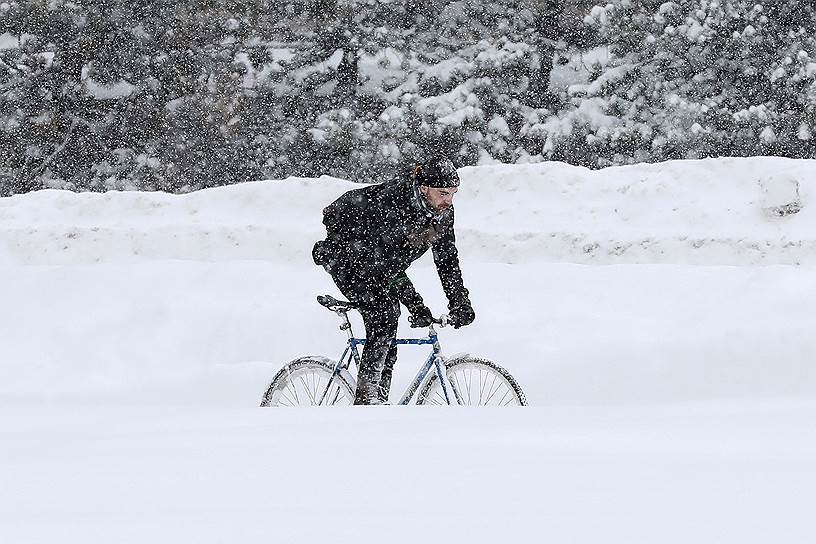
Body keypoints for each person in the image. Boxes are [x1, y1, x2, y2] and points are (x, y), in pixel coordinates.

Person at [312, 158, 475, 405]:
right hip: (347, 254)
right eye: (443, 193)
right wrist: (416, 304)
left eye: (453, 194)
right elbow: (384, 266)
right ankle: (367, 401)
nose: (449, 201)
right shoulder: (396, 204)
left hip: (380, 262)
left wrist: (459, 302)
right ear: (423, 188)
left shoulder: (442, 213)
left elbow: (447, 260)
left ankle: (380, 404)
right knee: (383, 313)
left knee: (388, 328)